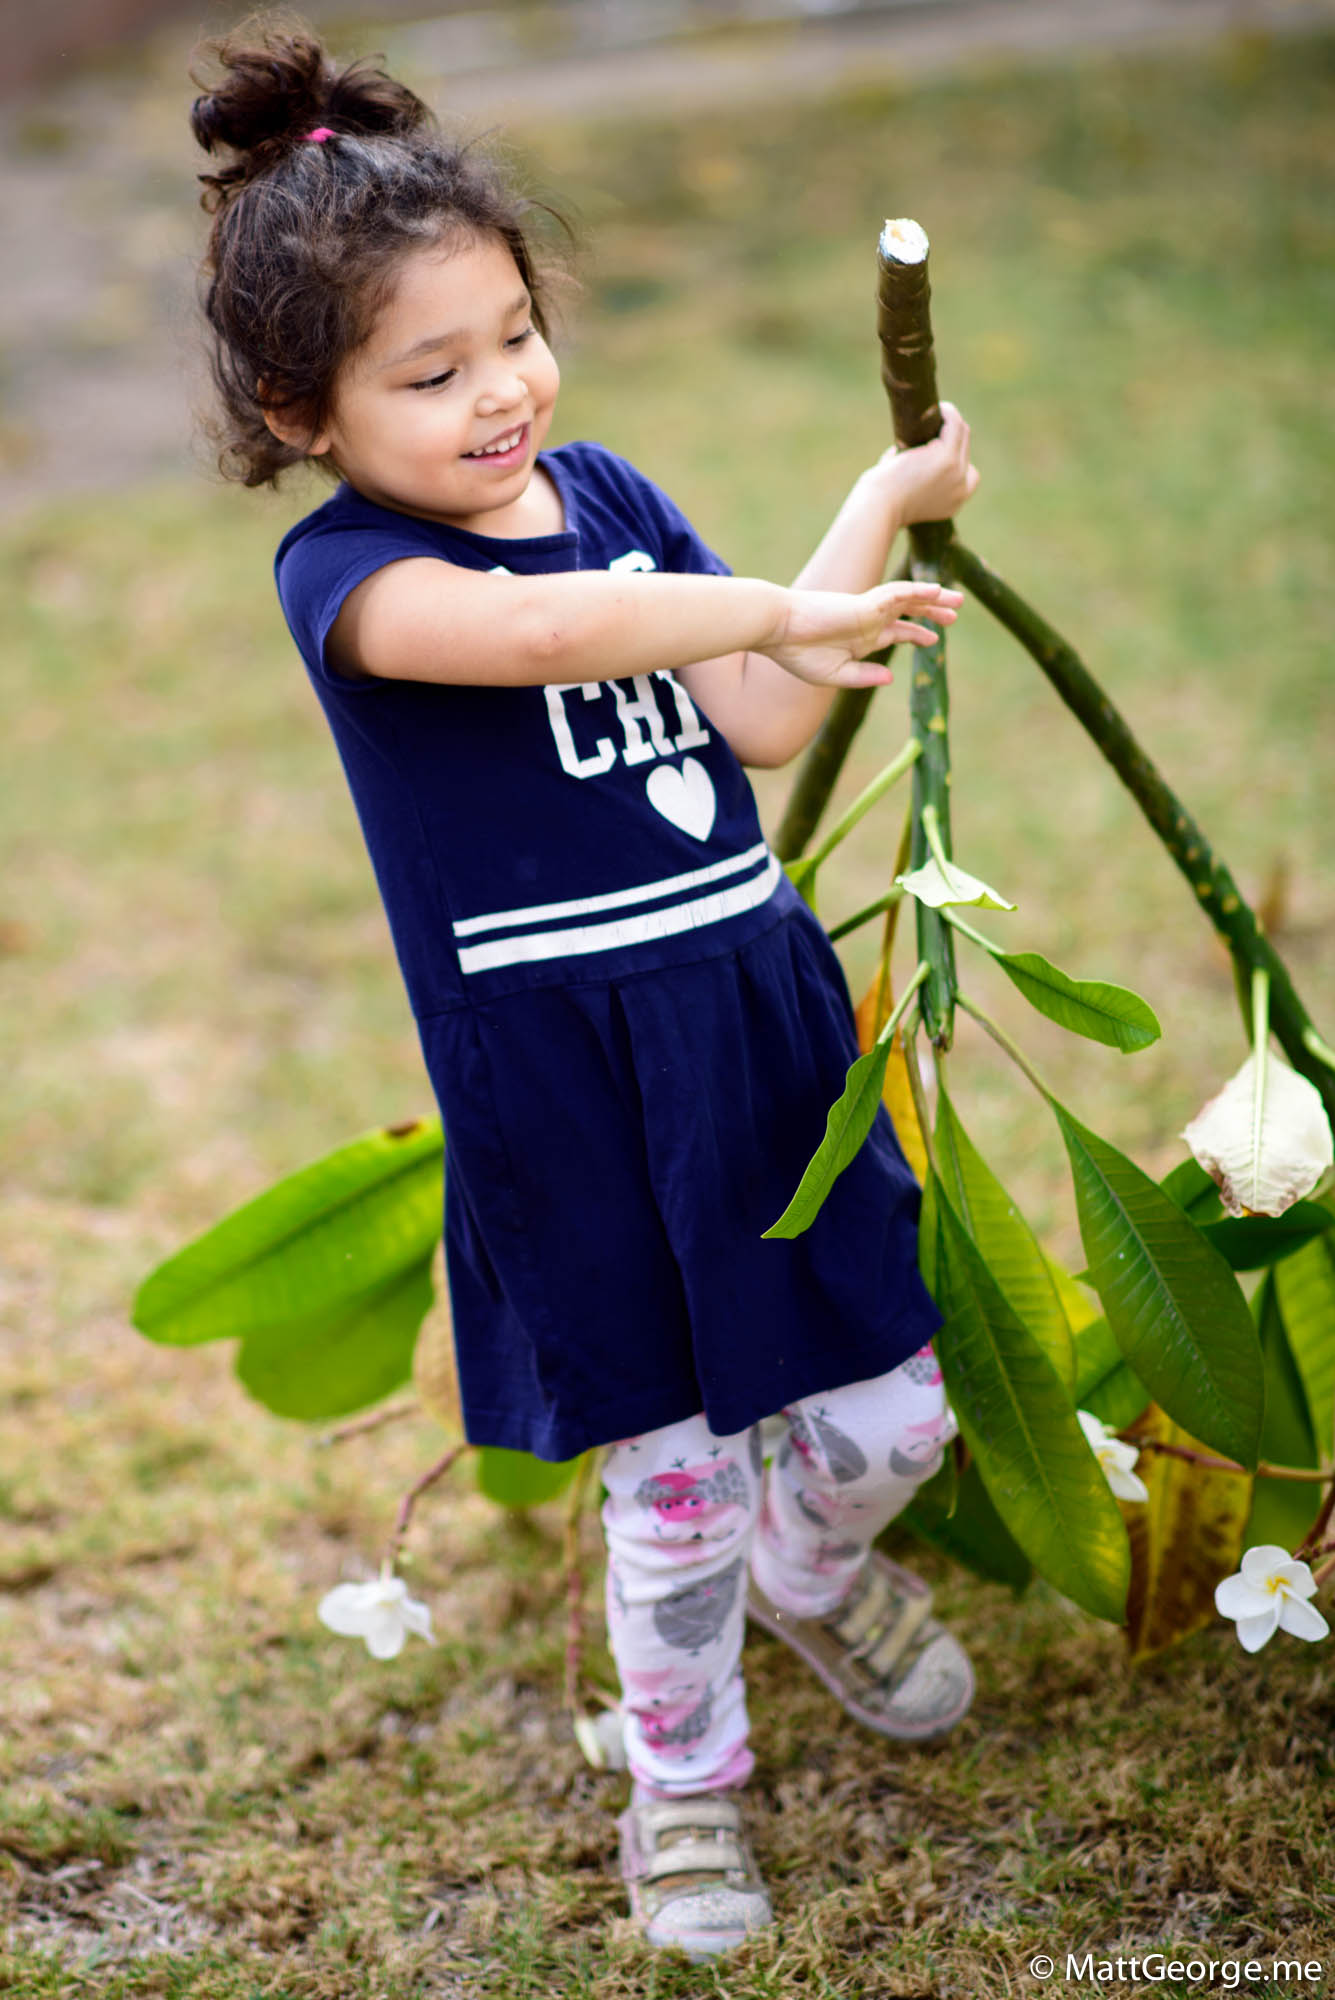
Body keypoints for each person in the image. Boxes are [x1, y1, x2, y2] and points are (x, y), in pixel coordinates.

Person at [190, 23, 982, 1963]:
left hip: (752, 1029)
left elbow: (768, 711)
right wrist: (778, 599)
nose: (499, 394)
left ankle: (814, 1570)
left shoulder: (612, 493)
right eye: (430, 372)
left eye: (515, 335)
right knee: (675, 1475)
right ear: (306, 412)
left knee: (892, 1414)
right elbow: (546, 634)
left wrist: (866, 519)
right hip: (573, 1082)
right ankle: (681, 1795)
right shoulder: (352, 580)